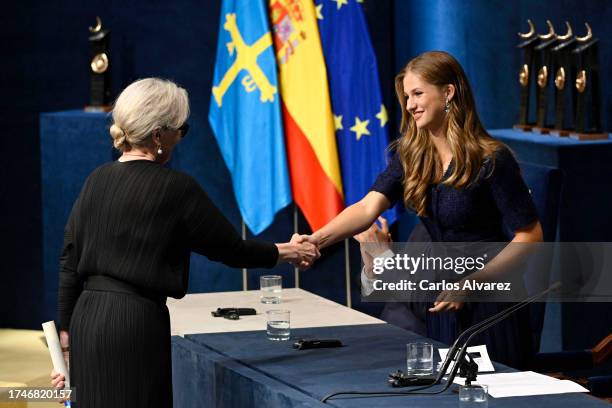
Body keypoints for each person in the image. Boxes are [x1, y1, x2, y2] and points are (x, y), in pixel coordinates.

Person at [50, 78, 319, 407]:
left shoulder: (96, 180)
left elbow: (68, 263)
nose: (181, 137)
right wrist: (286, 252)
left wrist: (66, 339)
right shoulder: (175, 187)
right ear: (159, 135)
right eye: (181, 129)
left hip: (86, 321)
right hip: (136, 325)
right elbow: (231, 250)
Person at [302, 51, 543, 369]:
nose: (410, 105)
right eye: (406, 97)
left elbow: (531, 236)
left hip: (489, 303)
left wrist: (471, 284)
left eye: (417, 94)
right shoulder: (412, 154)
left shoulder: (492, 159)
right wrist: (313, 241)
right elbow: (366, 207)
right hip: (440, 299)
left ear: (448, 93)